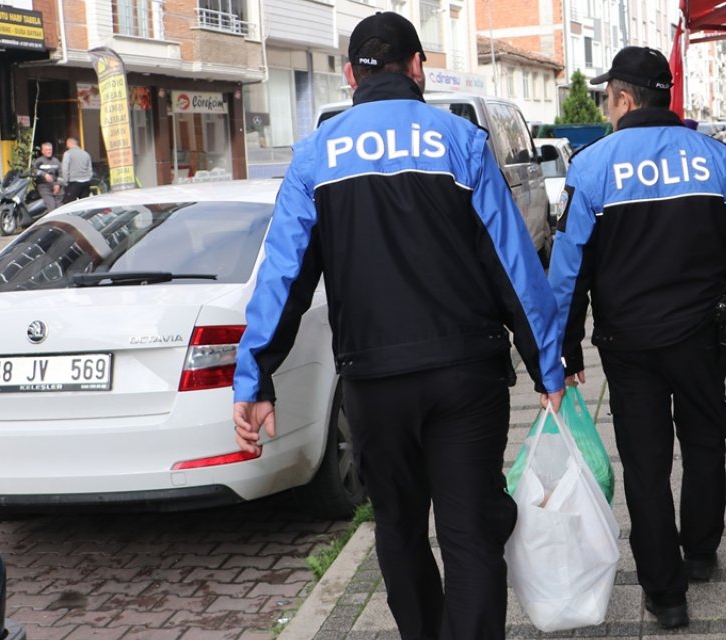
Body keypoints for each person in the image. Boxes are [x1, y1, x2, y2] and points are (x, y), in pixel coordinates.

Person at [232, 12, 565, 640]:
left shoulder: (314, 159)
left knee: (399, 528)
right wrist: (547, 363)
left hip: (375, 382)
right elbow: (514, 265)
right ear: (417, 67)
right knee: (469, 536)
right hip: (467, 378)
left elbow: (282, 281)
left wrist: (255, 377)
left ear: (349, 75)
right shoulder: (460, 142)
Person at [548, 46, 726, 630]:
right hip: (703, 338)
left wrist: (564, 351)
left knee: (645, 467)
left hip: (629, 348)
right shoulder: (716, 161)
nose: (607, 107)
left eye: (608, 97)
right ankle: (701, 553)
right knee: (704, 444)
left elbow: (568, 271)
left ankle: (666, 594)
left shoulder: (592, 166)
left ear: (625, 99)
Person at [59, 137, 92, 203]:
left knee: (69, 204)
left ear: (69, 143)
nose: (66, 146)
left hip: (74, 182)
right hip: (86, 182)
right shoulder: (86, 154)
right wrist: (88, 178)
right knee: (84, 204)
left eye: (67, 144)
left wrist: (65, 182)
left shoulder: (68, 153)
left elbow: (65, 169)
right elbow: (90, 170)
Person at [31, 142, 62, 213]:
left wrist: (58, 184)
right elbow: (34, 170)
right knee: (51, 206)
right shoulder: (39, 161)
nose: (49, 151)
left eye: (50, 149)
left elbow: (61, 173)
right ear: (42, 151)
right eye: (47, 150)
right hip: (44, 186)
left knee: (60, 206)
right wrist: (44, 174)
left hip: (55, 185)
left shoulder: (56, 161)